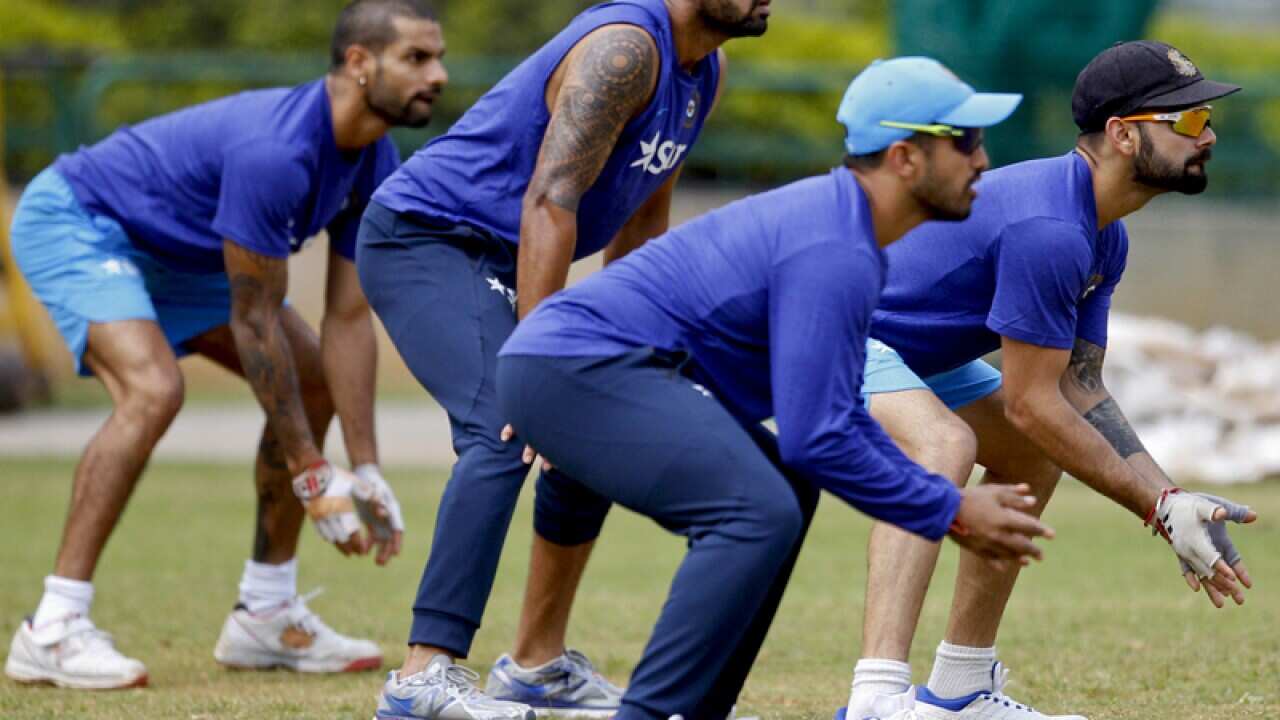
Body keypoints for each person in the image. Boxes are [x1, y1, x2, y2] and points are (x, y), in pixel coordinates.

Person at [492, 56, 1052, 720]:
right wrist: (950, 509)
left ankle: (698, 710)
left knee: (783, 492)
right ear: (905, 156)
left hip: (572, 364)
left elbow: (829, 423)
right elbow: (817, 437)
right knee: (757, 508)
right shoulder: (837, 247)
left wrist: (939, 506)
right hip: (569, 364)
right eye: (966, 142)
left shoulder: (848, 238)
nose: (983, 161)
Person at [4, 0, 447, 690]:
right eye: (418, 58)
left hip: (185, 255)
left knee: (312, 376)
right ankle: (53, 626)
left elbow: (350, 319)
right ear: (359, 64)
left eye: (439, 57)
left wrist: (365, 469)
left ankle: (265, 615)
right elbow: (256, 317)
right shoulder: (278, 153)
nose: (439, 74)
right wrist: (310, 470)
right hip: (82, 219)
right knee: (154, 391)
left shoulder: (373, 157)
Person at [358, 1, 771, 717]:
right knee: (504, 422)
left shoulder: (706, 70)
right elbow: (550, 201)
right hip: (428, 239)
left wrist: (629, 348)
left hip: (506, 246)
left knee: (594, 410)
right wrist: (539, 367)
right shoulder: (624, 51)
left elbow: (643, 214)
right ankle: (422, 676)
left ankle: (537, 664)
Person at [837, 41, 1258, 720]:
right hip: (833, 331)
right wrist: (1154, 511)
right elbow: (1035, 403)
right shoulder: (1051, 230)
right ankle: (875, 698)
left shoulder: (1103, 234)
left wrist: (1170, 497)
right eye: (1184, 121)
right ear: (1122, 135)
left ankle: (960, 688)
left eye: (1206, 119)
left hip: (908, 353)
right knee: (945, 446)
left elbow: (1078, 389)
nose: (1206, 135)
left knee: (1028, 454)